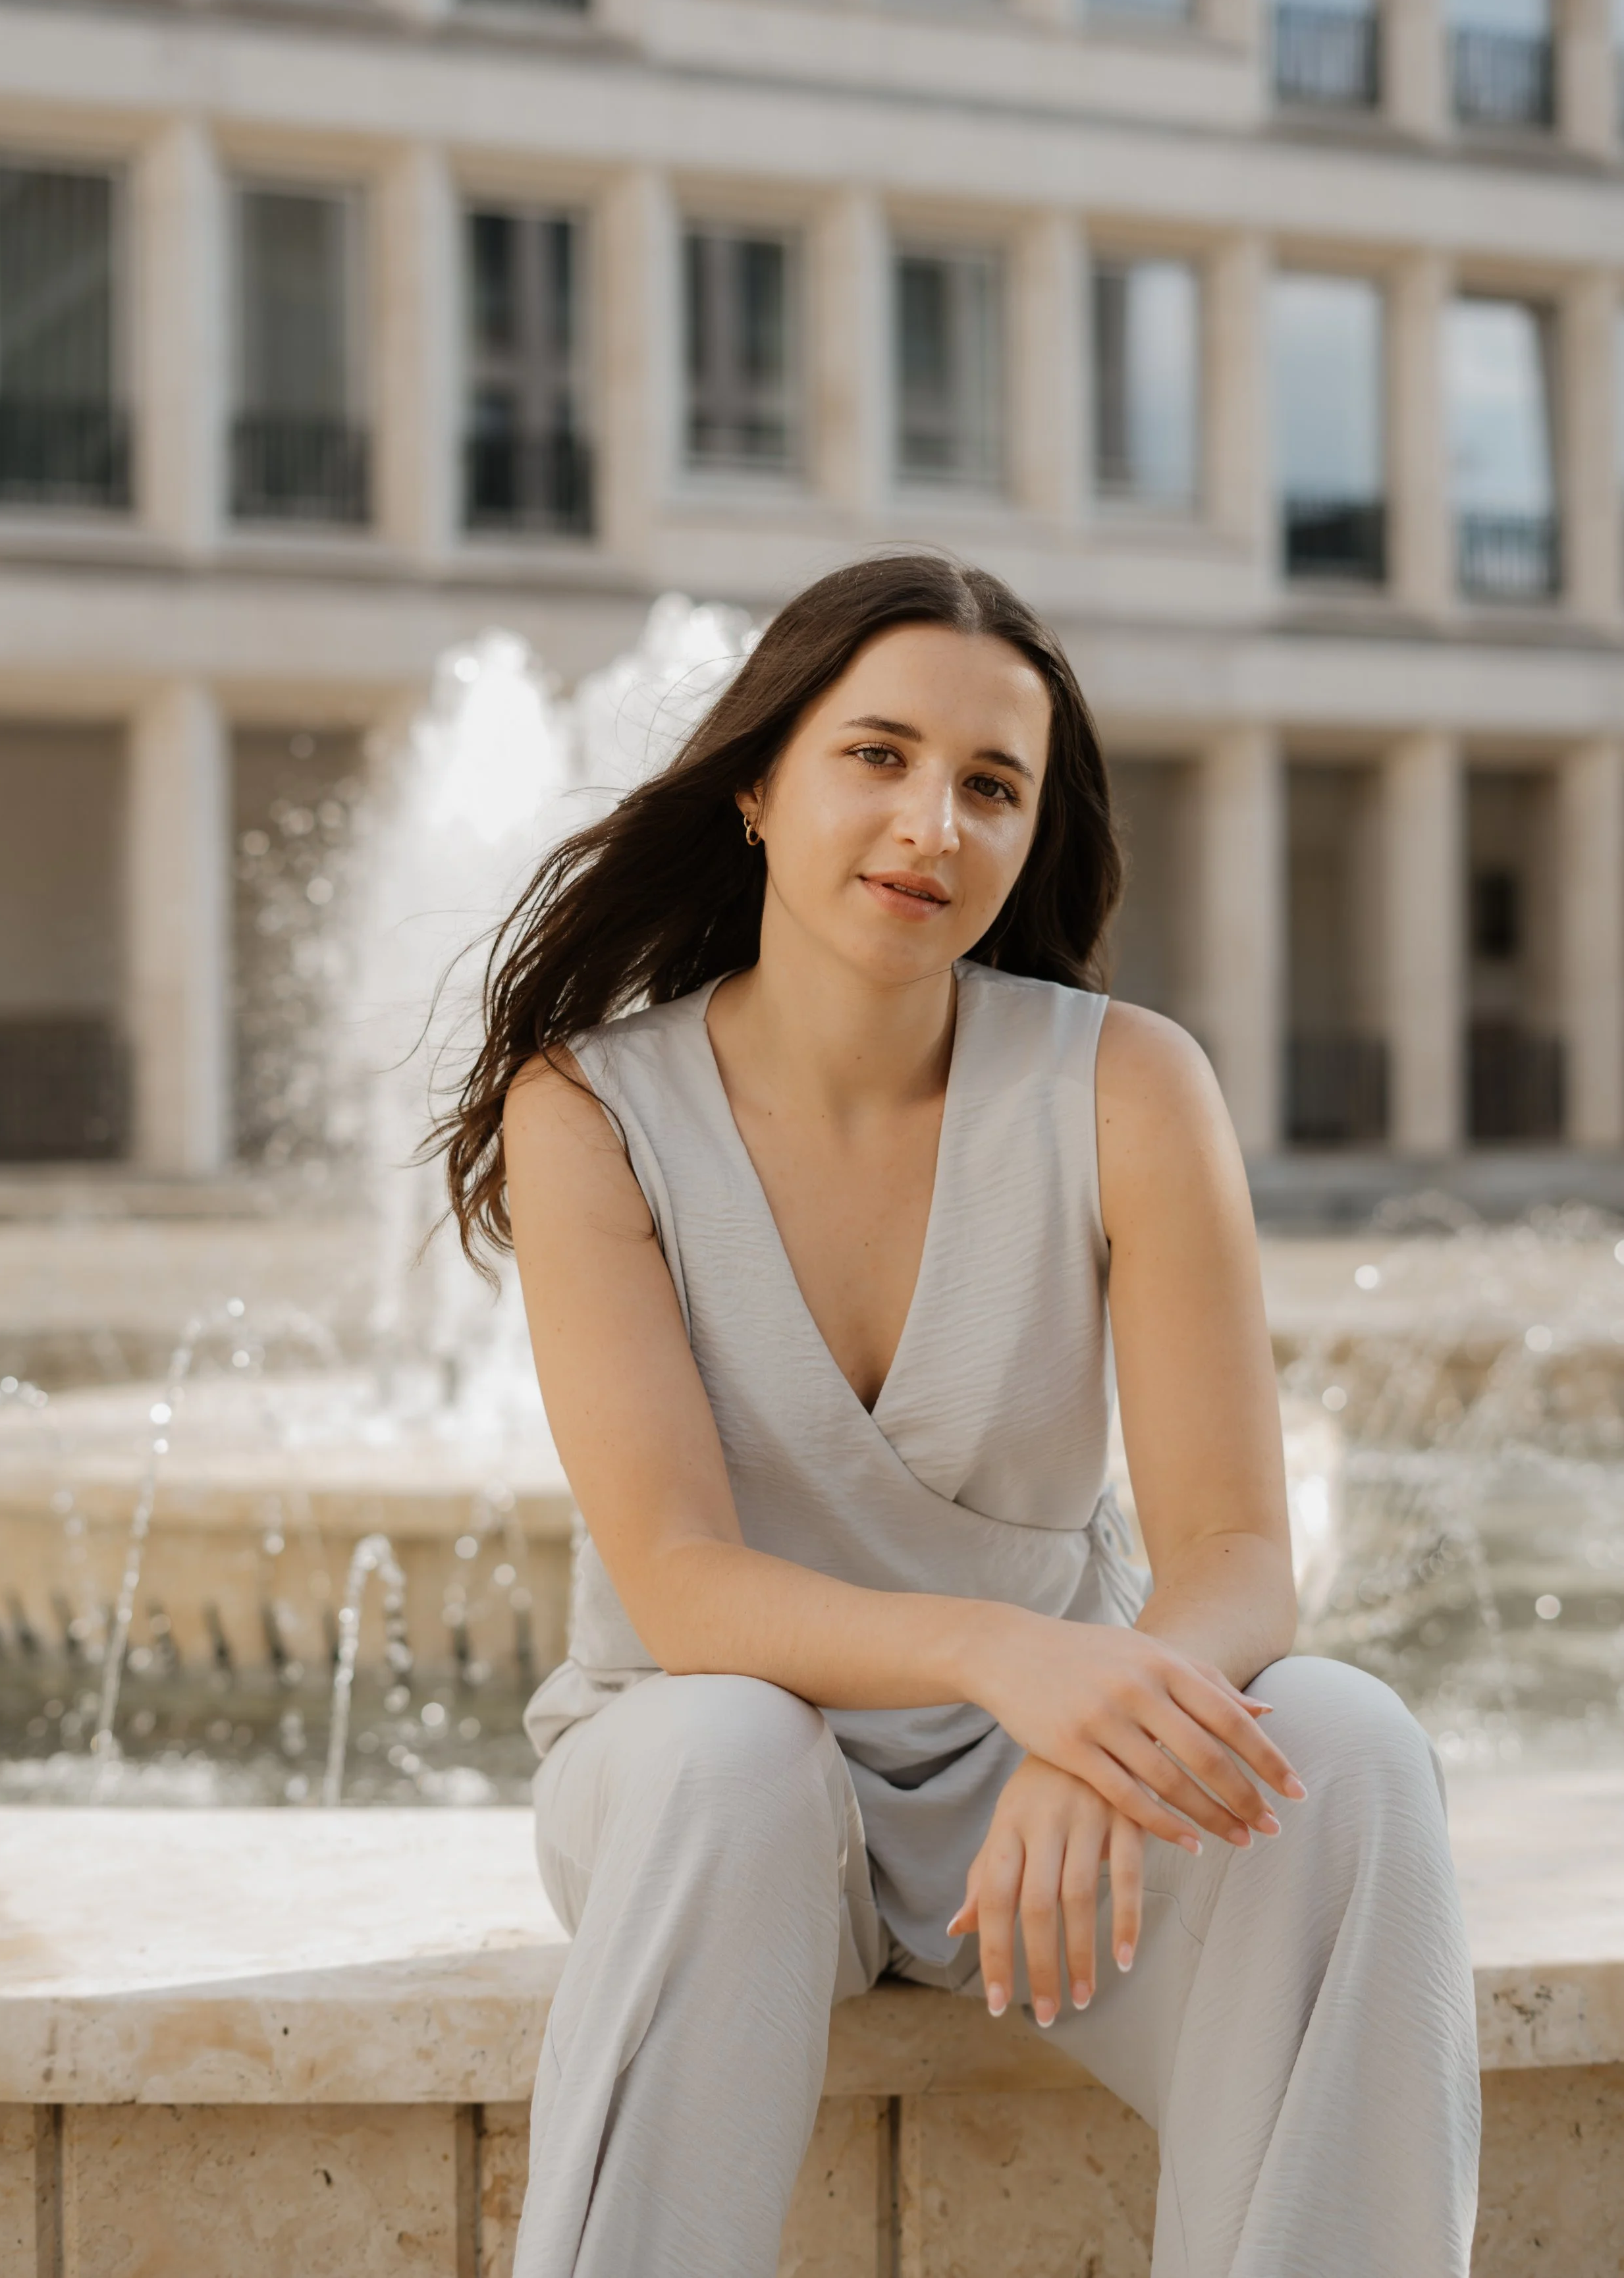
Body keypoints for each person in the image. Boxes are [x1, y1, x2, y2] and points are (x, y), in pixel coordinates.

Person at [439, 554, 1480, 2278]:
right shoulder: (590, 1110)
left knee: (1349, 1742)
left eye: (992, 785)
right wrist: (1020, 1662)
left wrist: (1094, 1725)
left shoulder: (1128, 1082)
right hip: (706, 1788)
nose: (933, 822)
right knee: (732, 1752)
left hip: (1041, 1802)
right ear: (759, 785)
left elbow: (1236, 1551)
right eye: (878, 755)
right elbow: (685, 1585)